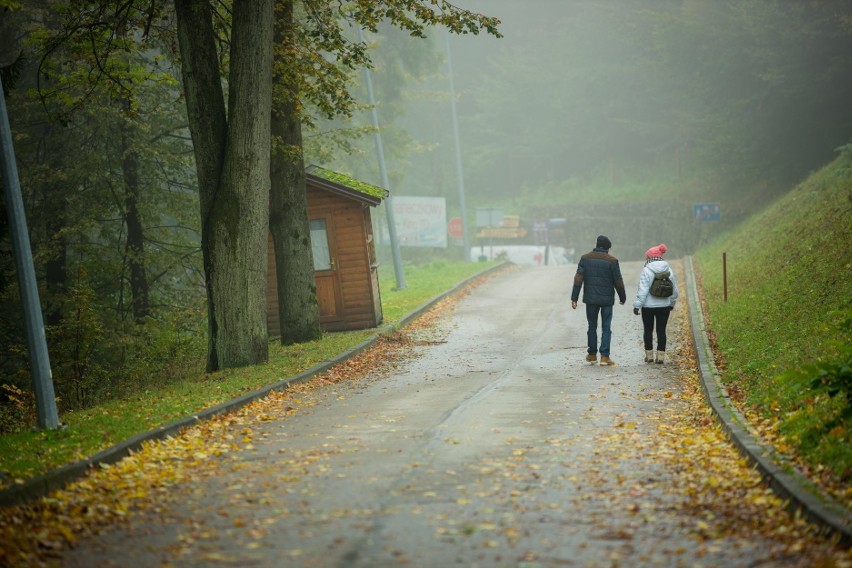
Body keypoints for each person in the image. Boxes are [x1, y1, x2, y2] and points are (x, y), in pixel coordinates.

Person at [571, 235, 627, 366]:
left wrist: (574, 297)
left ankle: (591, 355)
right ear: (608, 248)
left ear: (596, 244)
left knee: (592, 326)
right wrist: (622, 297)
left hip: (591, 299)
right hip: (607, 299)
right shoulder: (612, 261)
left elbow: (578, 278)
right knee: (606, 327)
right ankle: (604, 356)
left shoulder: (585, 258)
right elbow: (618, 281)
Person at [632, 244, 679, 364]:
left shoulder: (646, 270)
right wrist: (671, 303)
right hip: (664, 306)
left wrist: (637, 305)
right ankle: (661, 356)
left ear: (650, 257)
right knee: (661, 330)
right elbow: (674, 290)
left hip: (648, 306)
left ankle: (649, 356)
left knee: (648, 330)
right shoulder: (668, 269)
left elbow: (643, 290)